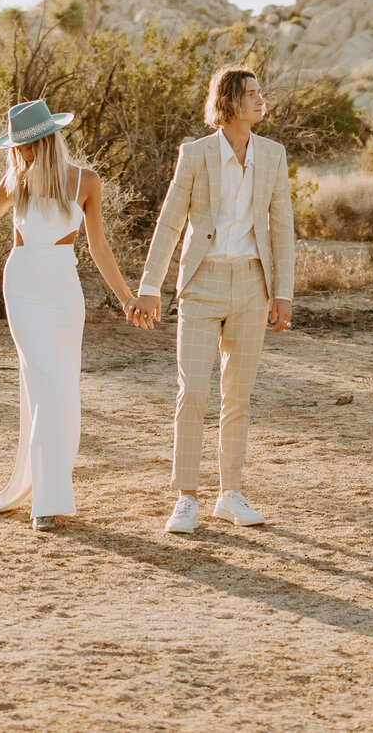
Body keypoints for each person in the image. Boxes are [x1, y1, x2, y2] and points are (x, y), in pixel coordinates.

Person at [0, 98, 142, 530]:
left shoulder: (86, 181)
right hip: (23, 285)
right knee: (45, 385)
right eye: (18, 147)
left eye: (28, 145)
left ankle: (50, 491)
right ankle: (46, 503)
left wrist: (126, 297)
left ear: (47, 140)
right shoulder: (15, 179)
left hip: (63, 287)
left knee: (63, 387)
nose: (21, 153)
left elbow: (99, 248)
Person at [132, 65, 294, 533]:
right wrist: (149, 286)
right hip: (200, 286)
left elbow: (282, 225)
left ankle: (230, 493)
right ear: (228, 103)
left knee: (237, 396)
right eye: (251, 93)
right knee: (194, 391)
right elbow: (169, 223)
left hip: (252, 286)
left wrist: (282, 293)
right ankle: (186, 497)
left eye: (261, 92)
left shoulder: (273, 155)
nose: (261, 100)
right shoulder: (196, 154)